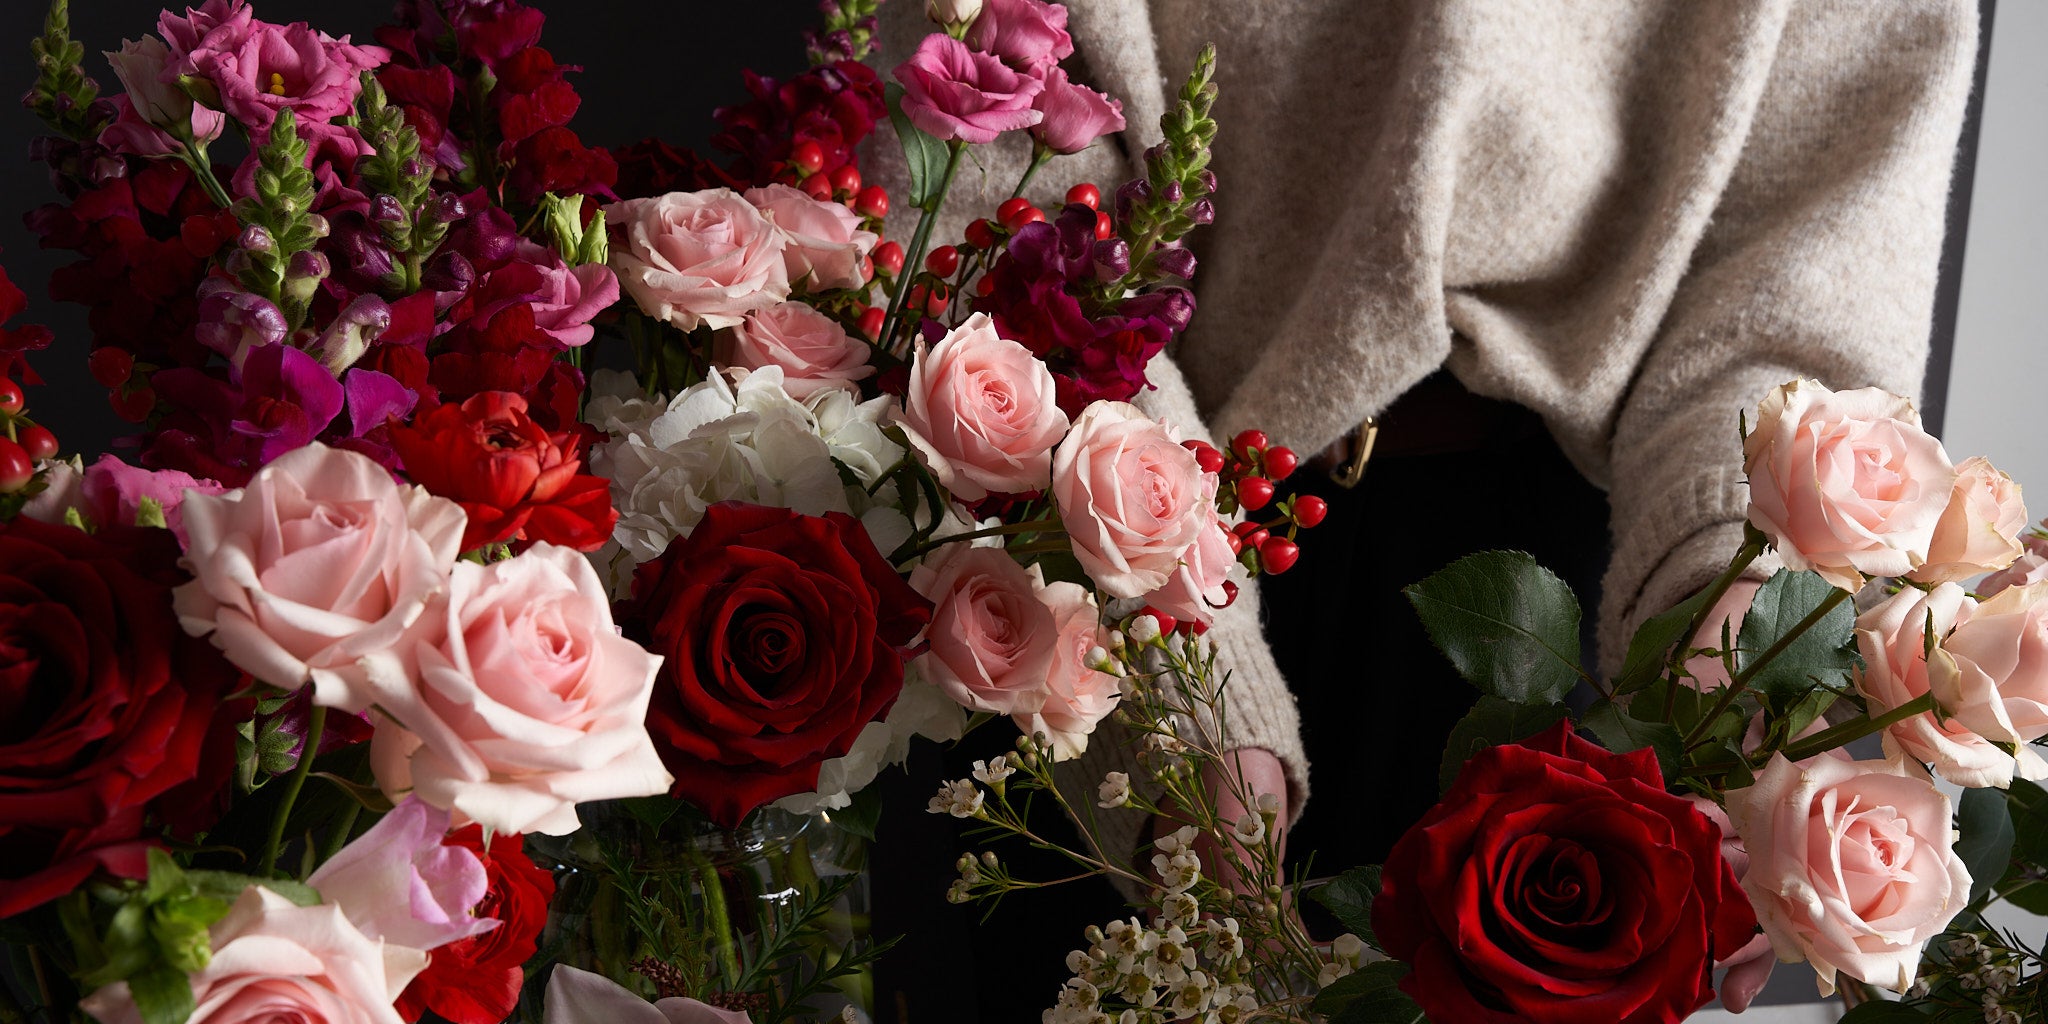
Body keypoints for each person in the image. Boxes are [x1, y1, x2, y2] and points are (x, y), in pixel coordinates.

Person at [865, 0, 1980, 1019]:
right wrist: (1180, 700)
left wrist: (1729, 669)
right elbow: (994, 214)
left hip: (1595, 603)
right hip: (1124, 556)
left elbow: (1806, 258)